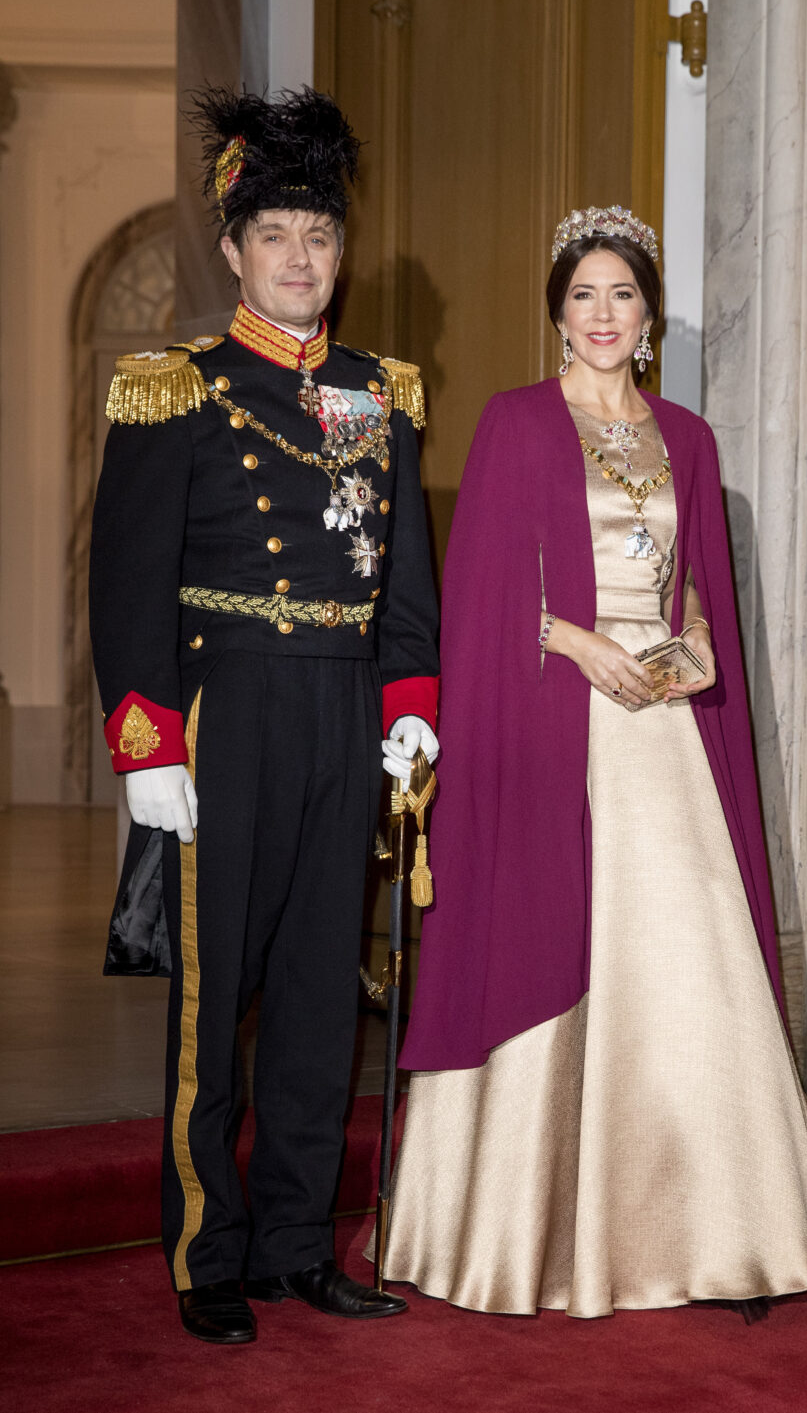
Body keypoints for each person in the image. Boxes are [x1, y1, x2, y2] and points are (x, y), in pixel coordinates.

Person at [375, 206, 807, 1318]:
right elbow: (484, 602)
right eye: (582, 295)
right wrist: (575, 642)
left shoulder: (686, 437)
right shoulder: (512, 424)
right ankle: (521, 1227)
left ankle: (722, 1216)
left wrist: (694, 647)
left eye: (622, 295)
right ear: (557, 312)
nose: (602, 315)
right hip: (562, 723)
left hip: (661, 738)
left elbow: (692, 578)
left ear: (647, 315)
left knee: (691, 949)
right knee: (557, 930)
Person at [89, 87, 440, 1345]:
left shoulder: (376, 395)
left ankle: (299, 1244)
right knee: (212, 996)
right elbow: (125, 582)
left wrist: (411, 708)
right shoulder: (170, 390)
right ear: (235, 248)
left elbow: (406, 582)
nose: (302, 257)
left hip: (342, 713)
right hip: (221, 712)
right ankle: (208, 1250)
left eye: (321, 236)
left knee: (310, 999)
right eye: (278, 234)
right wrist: (147, 747)